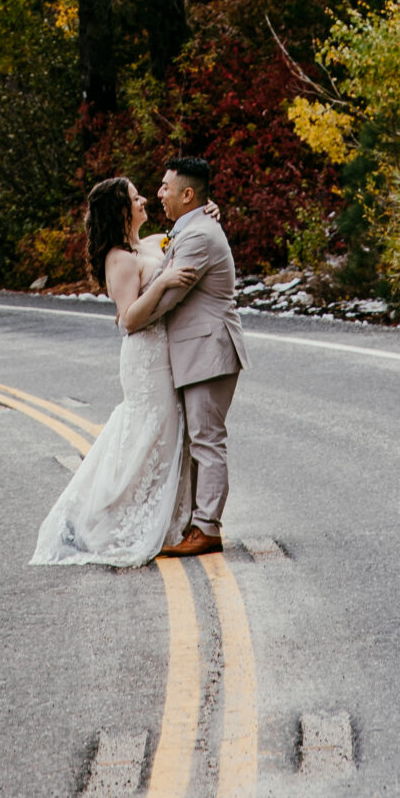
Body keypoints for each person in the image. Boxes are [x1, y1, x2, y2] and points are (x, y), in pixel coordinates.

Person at [29, 176, 194, 567]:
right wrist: (163, 283)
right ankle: (100, 521)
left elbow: (177, 236)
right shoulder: (119, 258)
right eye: (135, 198)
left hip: (163, 354)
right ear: (121, 210)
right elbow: (128, 318)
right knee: (148, 434)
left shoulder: (148, 244)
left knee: (165, 436)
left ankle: (167, 516)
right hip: (143, 358)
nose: (143, 200)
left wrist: (207, 212)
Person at [139, 154, 247, 559]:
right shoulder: (191, 228)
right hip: (198, 349)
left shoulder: (199, 234)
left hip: (209, 347)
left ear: (188, 194)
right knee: (199, 439)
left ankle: (207, 528)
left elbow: (169, 296)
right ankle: (198, 521)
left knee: (207, 440)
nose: (159, 193)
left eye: (166, 187)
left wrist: (134, 317)